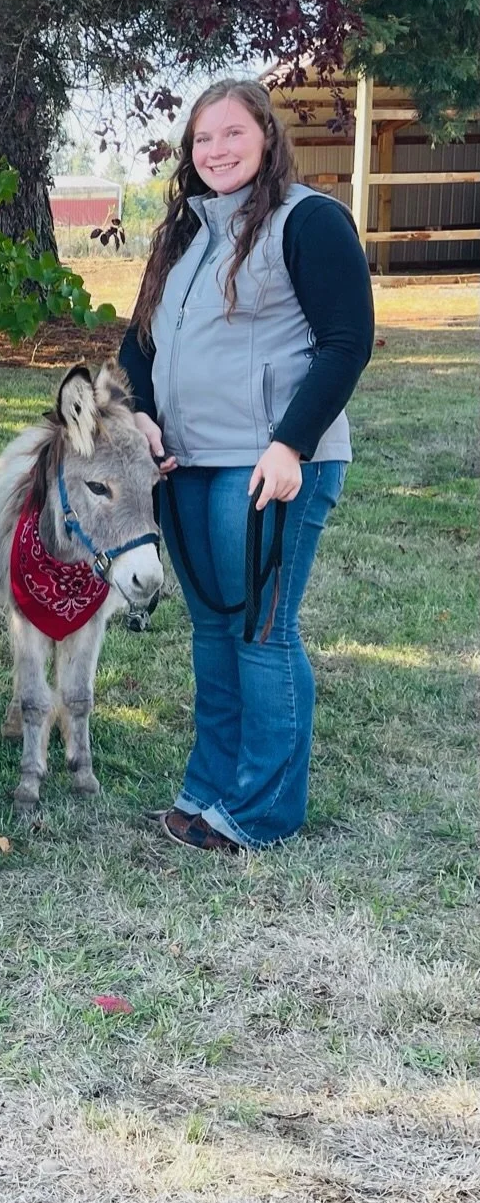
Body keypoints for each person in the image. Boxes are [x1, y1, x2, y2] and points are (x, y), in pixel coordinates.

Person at [120, 78, 372, 854]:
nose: (216, 151)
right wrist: (140, 412)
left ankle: (260, 813)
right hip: (184, 465)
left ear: (265, 136)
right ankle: (209, 788)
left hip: (269, 465)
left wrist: (290, 442)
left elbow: (345, 340)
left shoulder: (309, 221)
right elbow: (138, 343)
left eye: (231, 134)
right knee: (212, 632)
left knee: (262, 632)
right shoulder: (183, 233)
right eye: (201, 139)